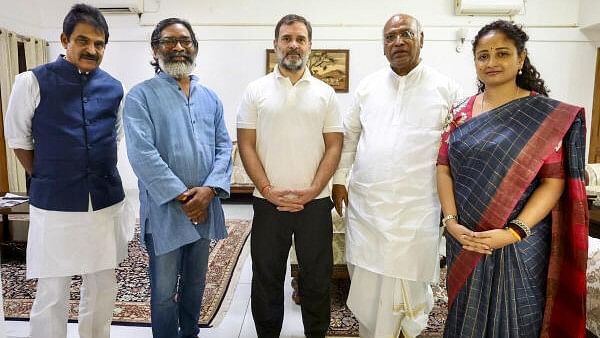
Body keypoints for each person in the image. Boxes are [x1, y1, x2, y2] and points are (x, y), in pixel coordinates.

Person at [436, 20, 588, 337]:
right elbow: (443, 167)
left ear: (521, 58)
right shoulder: (460, 112)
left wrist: (514, 232)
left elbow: (553, 182)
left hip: (521, 239)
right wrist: (451, 222)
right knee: (465, 314)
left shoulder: (545, 115)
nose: (491, 63)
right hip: (466, 236)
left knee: (519, 317)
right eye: (483, 55)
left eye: (502, 53)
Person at [3, 4, 131, 338]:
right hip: (54, 204)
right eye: (83, 41)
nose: (92, 50)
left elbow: (114, 135)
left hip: (105, 203)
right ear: (65, 40)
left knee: (103, 283)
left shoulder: (114, 87)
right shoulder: (31, 81)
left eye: (100, 44)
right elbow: (17, 137)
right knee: (52, 288)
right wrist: (46, 174)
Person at [331, 13, 461, 338]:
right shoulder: (367, 87)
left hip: (418, 210)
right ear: (383, 45)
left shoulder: (446, 89)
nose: (398, 41)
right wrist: (339, 180)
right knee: (367, 288)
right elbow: (349, 138)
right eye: (391, 36)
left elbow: (458, 148)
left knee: (411, 291)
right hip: (368, 207)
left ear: (421, 38)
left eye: (406, 34)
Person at [123, 18, 232, 338]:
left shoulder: (209, 97)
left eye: (185, 41)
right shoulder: (140, 96)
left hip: (205, 205)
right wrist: (185, 197)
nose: (178, 48)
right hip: (167, 210)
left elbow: (224, 146)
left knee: (197, 282)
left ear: (195, 47)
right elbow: (142, 153)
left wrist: (209, 190)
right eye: (169, 42)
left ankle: (191, 333)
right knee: (164, 289)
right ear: (155, 49)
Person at [236, 14, 343, 338]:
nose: (293, 45)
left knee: (316, 277)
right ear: (276, 44)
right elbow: (246, 144)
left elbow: (334, 146)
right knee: (266, 278)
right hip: (269, 204)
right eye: (287, 38)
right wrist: (267, 190)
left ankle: (316, 333)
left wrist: (313, 190)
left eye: (300, 39)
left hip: (315, 204)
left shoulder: (326, 93)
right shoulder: (255, 91)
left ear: (310, 46)